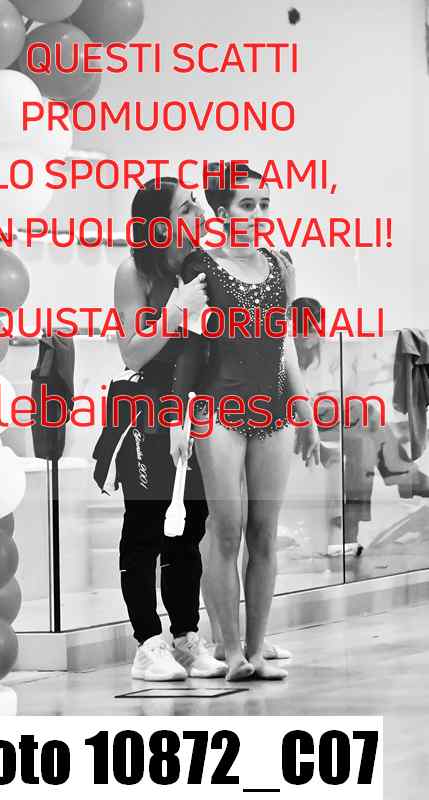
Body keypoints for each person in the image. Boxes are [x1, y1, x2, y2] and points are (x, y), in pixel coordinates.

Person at [170, 164, 320, 681]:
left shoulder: (280, 263)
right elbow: (190, 349)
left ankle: (257, 652)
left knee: (264, 532)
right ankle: (230, 651)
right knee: (226, 530)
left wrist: (303, 404)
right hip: (219, 412)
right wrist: (178, 416)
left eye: (264, 204)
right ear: (222, 210)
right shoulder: (200, 265)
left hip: (273, 410)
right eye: (246, 204)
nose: (257, 214)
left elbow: (283, 341)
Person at [92, 177, 226, 681]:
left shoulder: (202, 264)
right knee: (146, 528)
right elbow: (132, 353)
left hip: (193, 408)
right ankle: (147, 643)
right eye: (185, 207)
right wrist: (174, 312)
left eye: (195, 203)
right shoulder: (134, 271)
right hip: (147, 410)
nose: (197, 212)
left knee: (189, 529)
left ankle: (186, 636)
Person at [292, 296, 429, 555]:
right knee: (366, 414)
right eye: (302, 327)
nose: (308, 333)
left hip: (339, 418)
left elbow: (348, 393)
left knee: (363, 438)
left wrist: (330, 400)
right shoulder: (285, 356)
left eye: (313, 326)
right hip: (304, 422)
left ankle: (350, 530)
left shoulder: (333, 352)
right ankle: (406, 477)